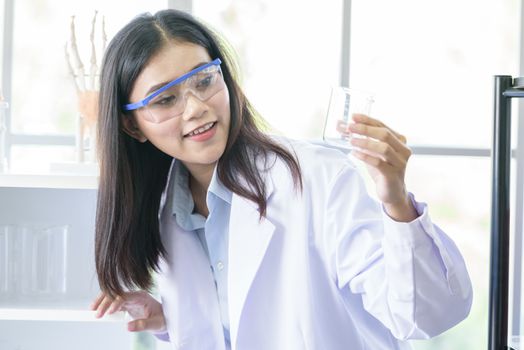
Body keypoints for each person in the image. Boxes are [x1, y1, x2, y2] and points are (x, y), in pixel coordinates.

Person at [90, 9, 472, 350]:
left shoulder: (317, 178)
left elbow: (420, 316)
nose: (196, 107)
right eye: (164, 100)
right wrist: (172, 320)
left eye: (204, 80)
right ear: (132, 126)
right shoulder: (165, 207)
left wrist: (397, 203)